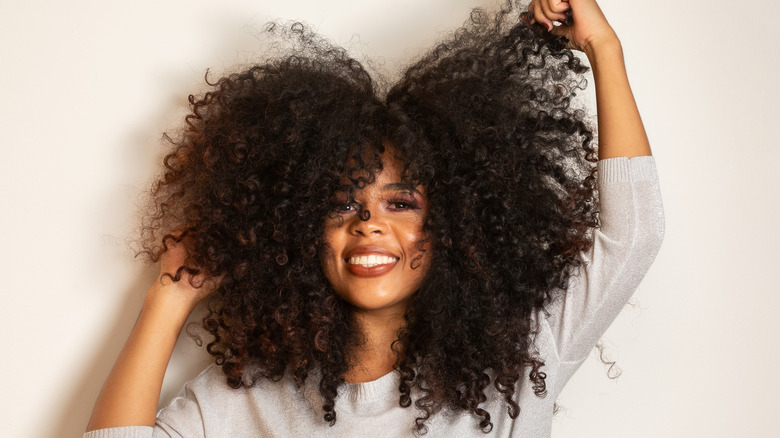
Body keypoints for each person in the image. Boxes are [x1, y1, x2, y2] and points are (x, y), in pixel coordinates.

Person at [85, 0, 664, 436]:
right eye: (342, 205)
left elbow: (633, 235)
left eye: (400, 202)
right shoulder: (253, 395)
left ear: (451, 226)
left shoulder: (521, 361)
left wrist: (604, 51)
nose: (367, 223)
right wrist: (170, 294)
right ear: (297, 231)